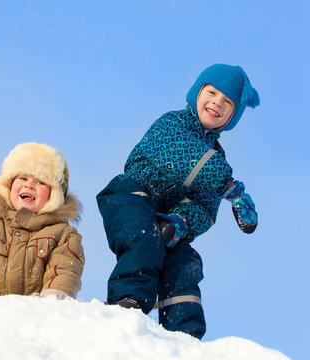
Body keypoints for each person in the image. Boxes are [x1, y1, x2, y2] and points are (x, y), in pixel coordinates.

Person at [96, 64, 260, 338]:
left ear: (232, 116)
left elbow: (205, 209)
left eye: (227, 102)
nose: (217, 103)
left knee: (186, 261)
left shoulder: (217, 158)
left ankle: (184, 333)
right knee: (144, 237)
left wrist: (180, 223)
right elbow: (185, 159)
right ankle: (128, 303)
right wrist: (231, 188)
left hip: (165, 216)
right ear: (197, 92)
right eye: (212, 92)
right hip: (132, 194)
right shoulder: (173, 124)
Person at [0, 142, 85, 299]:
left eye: (41, 182)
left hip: (38, 316)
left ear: (54, 196)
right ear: (9, 186)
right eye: (23, 177)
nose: (29, 185)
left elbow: (64, 269)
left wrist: (55, 295)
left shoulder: (63, 235)